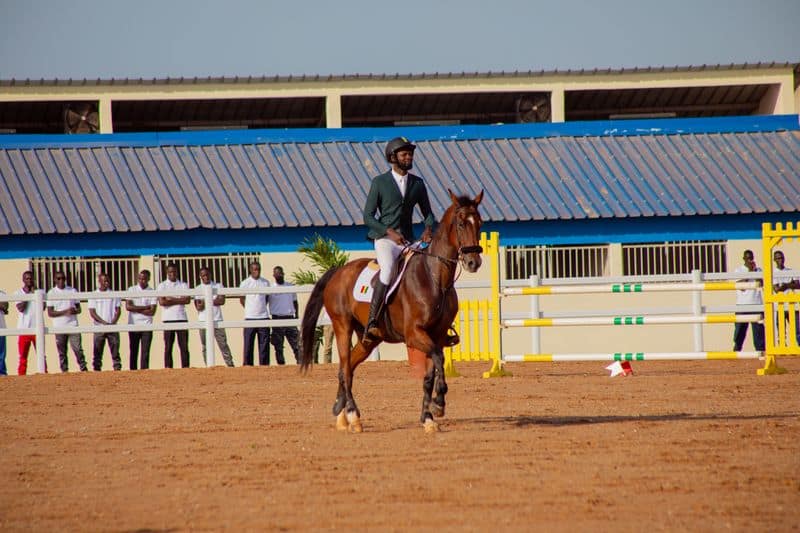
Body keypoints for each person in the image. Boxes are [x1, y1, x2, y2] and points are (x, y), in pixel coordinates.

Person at [362, 137, 436, 341]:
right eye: (404, 154)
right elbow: (367, 216)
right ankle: (372, 321)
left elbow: (428, 213)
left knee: (427, 271)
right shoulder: (379, 182)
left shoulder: (417, 184)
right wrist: (388, 231)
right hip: (386, 240)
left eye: (410, 154)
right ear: (393, 157)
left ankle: (437, 319)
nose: (409, 157)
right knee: (387, 270)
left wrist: (429, 228)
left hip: (409, 240)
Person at [46, 270, 88, 372]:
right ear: (55, 280)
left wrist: (73, 311)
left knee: (78, 349)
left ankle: (84, 369)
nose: (61, 281)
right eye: (59, 278)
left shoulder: (72, 291)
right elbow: (50, 313)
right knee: (62, 352)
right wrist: (65, 312)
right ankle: (64, 372)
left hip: (73, 325)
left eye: (63, 278)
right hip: (59, 327)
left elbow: (79, 309)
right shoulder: (51, 293)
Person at [194, 266, 235, 367]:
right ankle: (208, 366)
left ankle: (230, 365)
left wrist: (205, 301)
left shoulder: (218, 286)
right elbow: (198, 307)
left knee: (223, 345)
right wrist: (212, 300)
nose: (206, 277)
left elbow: (221, 301)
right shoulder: (197, 288)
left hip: (217, 319)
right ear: (200, 277)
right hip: (203, 321)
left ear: (210, 274)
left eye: (207, 274)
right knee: (205, 346)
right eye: (203, 275)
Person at [158, 263, 191, 368]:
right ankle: (168, 368)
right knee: (168, 347)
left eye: (174, 272)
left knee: (184, 347)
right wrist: (179, 300)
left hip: (181, 318)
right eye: (170, 272)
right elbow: (162, 302)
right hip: (168, 319)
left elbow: (187, 300)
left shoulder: (183, 284)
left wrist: (171, 299)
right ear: (167, 273)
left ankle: (185, 368)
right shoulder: (162, 286)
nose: (172, 274)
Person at [88, 272, 122, 371]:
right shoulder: (94, 294)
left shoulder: (114, 294)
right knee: (97, 353)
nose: (106, 282)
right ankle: (97, 371)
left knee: (115, 352)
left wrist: (112, 323)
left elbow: (118, 310)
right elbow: (92, 312)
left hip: (112, 327)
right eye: (104, 281)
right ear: (99, 281)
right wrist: (103, 322)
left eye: (107, 280)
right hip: (99, 327)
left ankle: (117, 370)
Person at [733, 250, 765, 352]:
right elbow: (741, 287)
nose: (750, 260)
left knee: (758, 331)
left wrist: (754, 271)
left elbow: (762, 283)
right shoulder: (738, 271)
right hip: (742, 305)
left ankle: (760, 351)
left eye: (751, 258)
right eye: (748, 258)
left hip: (756, 304)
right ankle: (737, 350)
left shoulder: (759, 270)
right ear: (744, 259)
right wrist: (750, 273)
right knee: (739, 331)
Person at [239, 261, 271, 365]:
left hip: (263, 317)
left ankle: (264, 366)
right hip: (250, 318)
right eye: (255, 269)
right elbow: (242, 299)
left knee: (264, 345)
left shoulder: (265, 282)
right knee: (248, 345)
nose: (257, 271)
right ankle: (248, 366)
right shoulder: (245, 283)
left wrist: (260, 309)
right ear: (250, 270)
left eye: (258, 269)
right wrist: (250, 309)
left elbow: (266, 298)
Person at [125, 269, 158, 370]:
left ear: (148, 279)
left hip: (147, 325)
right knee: (133, 350)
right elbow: (128, 307)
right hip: (133, 324)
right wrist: (144, 307)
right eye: (140, 278)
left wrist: (136, 308)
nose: (141, 281)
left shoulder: (152, 291)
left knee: (145, 352)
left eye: (144, 279)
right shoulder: (131, 290)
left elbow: (152, 311)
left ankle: (144, 372)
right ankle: (133, 372)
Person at [14, 271, 44, 375]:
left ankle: (45, 376)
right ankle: (21, 377)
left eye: (31, 278)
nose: (29, 280)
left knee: (41, 356)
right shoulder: (18, 293)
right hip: (24, 329)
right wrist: (29, 295)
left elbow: (43, 307)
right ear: (23, 280)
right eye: (27, 279)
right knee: (23, 357)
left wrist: (35, 293)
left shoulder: (40, 292)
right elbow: (21, 308)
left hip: (37, 329)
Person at [269, 266, 298, 365]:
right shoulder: (270, 289)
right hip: (277, 318)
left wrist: (296, 316)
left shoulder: (290, 286)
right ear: (273, 275)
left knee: (296, 344)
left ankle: (300, 363)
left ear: (283, 274)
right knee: (278, 346)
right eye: (276, 274)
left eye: (280, 273)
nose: (278, 275)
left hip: (290, 318)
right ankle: (281, 366)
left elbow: (295, 302)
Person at [772, 249, 800, 347]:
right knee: (781, 330)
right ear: (774, 260)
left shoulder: (790, 271)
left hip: (792, 304)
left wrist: (786, 285)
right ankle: (782, 347)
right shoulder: (773, 273)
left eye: (781, 258)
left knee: (797, 329)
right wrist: (790, 284)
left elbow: (798, 285)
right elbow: (776, 289)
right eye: (778, 258)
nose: (780, 260)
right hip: (780, 306)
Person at [0, 290, 8, 376]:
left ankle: (2, 373)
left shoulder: (2, 293)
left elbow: (5, 308)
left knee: (1, 354)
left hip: (1, 326)